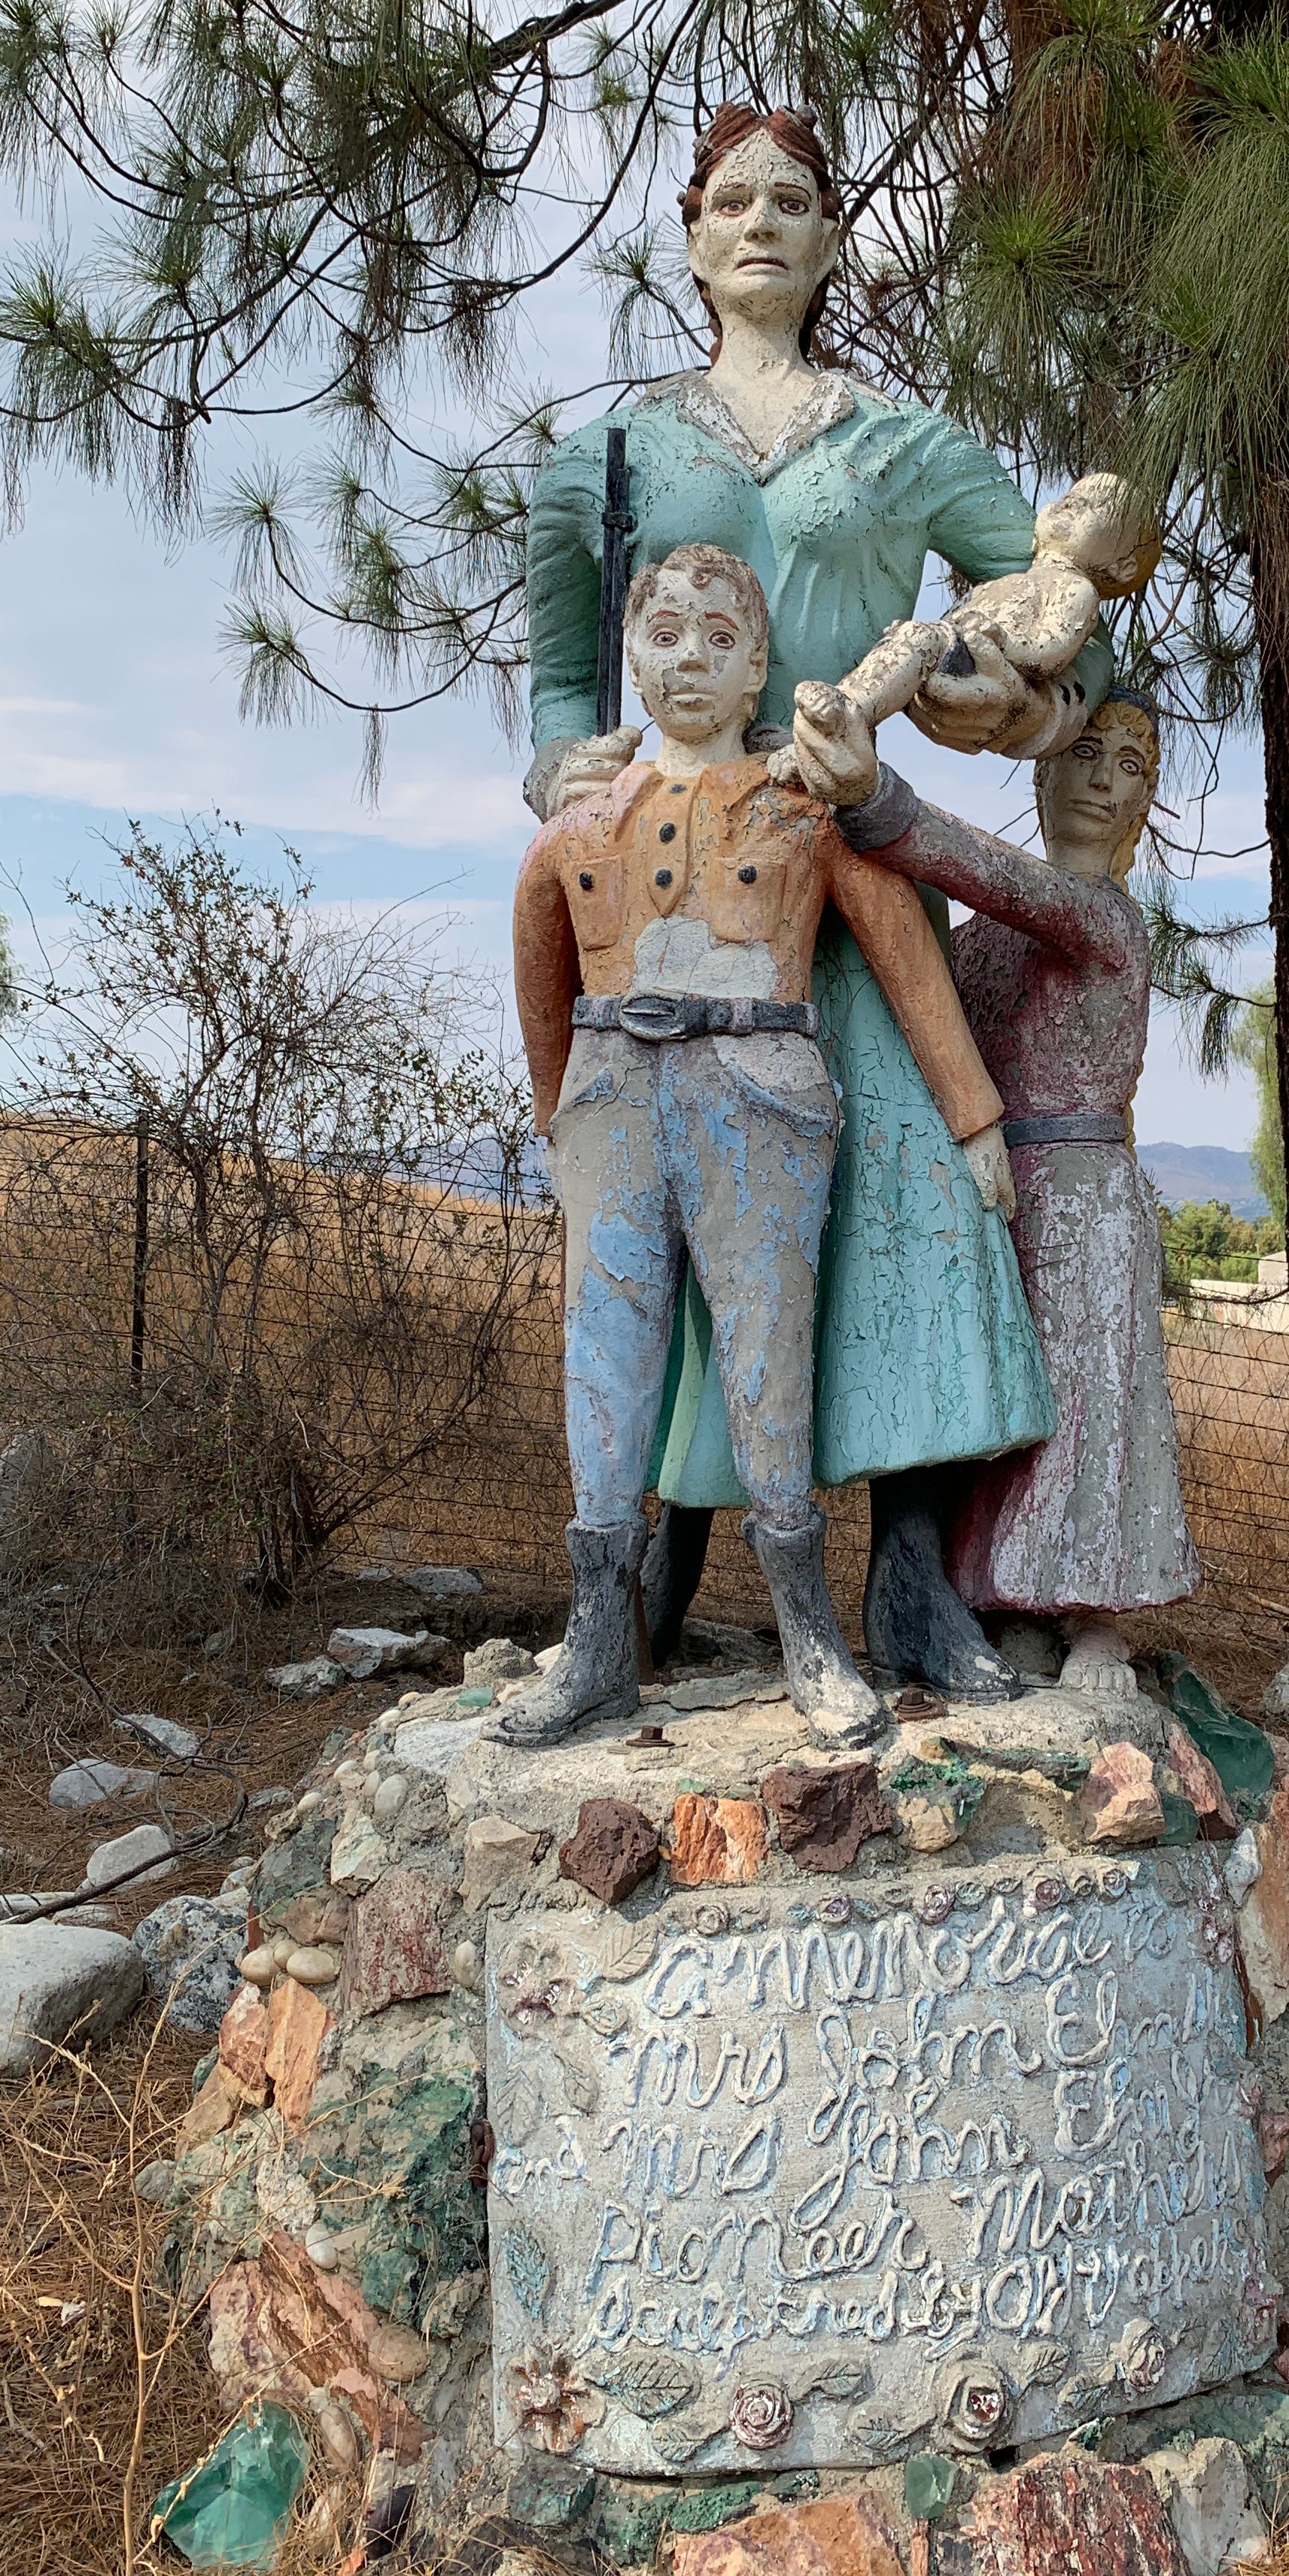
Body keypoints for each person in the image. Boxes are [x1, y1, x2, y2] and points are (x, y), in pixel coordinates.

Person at [524, 100, 1123, 1700]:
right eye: (734, 201)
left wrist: (966, 705)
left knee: (913, 1211)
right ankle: (647, 1577)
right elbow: (553, 668)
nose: (764, 224)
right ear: (692, 231)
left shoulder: (906, 445)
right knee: (670, 1207)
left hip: (853, 864)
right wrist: (563, 779)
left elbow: (1062, 645)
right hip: (684, 894)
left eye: (796, 199)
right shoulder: (611, 453)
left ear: (835, 235)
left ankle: (912, 1587)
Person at [499, 543, 1016, 1751]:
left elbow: (903, 951)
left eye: (719, 639)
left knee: (769, 1353)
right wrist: (555, 1114)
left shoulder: (803, 813)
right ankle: (597, 1644)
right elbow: (538, 954)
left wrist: (973, 1116)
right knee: (606, 1358)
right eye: (664, 634)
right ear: (631, 657)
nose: (688, 659)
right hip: (615, 1093)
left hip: (761, 1092)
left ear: (759, 672)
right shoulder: (584, 824)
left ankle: (809, 1638)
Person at [792, 680, 1199, 1690]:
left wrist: (875, 799)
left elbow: (1002, 879)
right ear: (1043, 768)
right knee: (1003, 1407)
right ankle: (995, 1598)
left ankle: (1088, 1612)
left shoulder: (1102, 918)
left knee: (1081, 1404)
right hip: (984, 1191)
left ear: (1147, 802)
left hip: (1080, 1196)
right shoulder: (975, 947)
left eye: (1132, 766)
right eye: (1085, 755)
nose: (1103, 781)